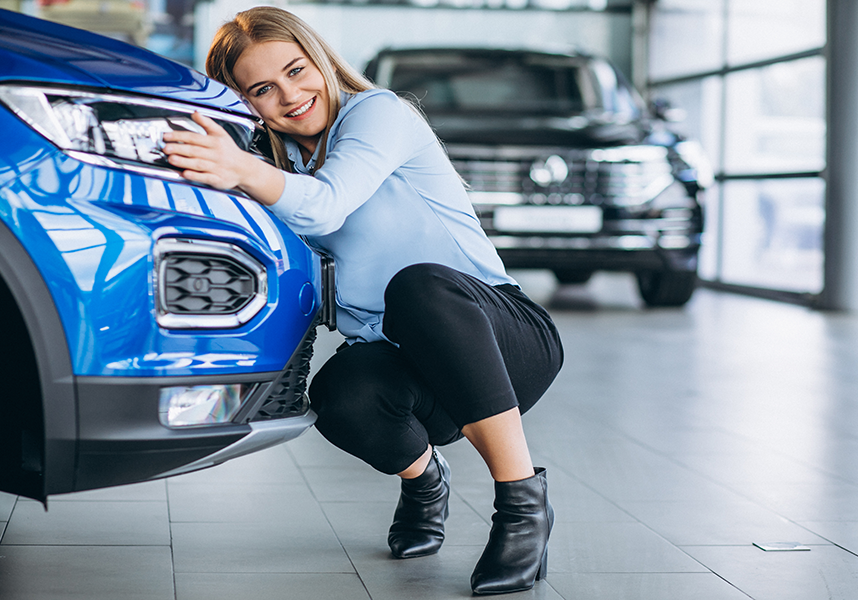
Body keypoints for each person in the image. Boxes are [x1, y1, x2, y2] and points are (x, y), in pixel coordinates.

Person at [161, 6, 563, 595]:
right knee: (339, 395)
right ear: (244, 104)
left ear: (320, 58)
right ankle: (426, 480)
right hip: (404, 356)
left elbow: (326, 204)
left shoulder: (380, 114)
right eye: (263, 89)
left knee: (418, 286)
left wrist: (241, 169)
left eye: (298, 71)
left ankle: (523, 508)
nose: (290, 96)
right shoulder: (276, 167)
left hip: (501, 337)